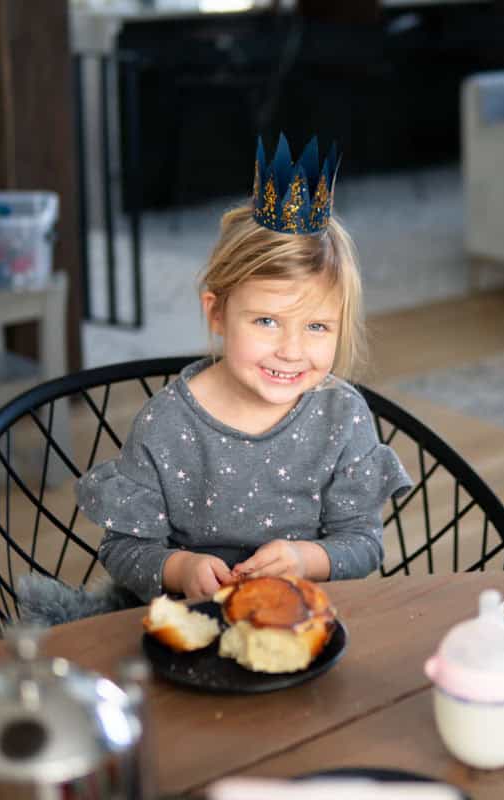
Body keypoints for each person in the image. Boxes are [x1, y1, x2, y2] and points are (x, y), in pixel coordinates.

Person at [74, 134, 413, 603]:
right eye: (267, 321)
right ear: (217, 313)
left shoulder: (342, 416)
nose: (291, 350)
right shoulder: (167, 423)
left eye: (317, 326)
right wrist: (180, 568)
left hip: (299, 617)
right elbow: (124, 548)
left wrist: (304, 559)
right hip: (192, 619)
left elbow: (362, 543)